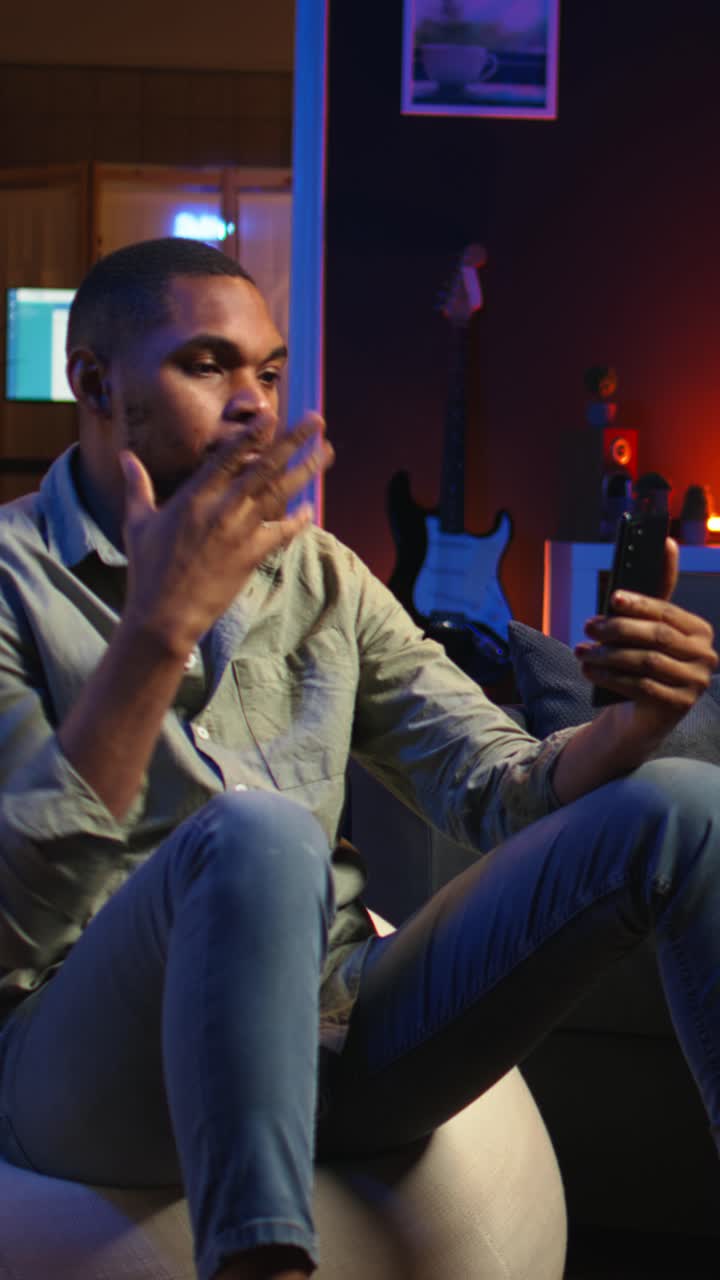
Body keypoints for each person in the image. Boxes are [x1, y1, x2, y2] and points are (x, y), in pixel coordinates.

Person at [0, 236, 718, 1280]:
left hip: (340, 1026)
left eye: (271, 371)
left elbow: (496, 791)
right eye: (206, 364)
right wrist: (155, 635)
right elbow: (12, 917)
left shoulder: (320, 573)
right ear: (95, 381)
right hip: (86, 1070)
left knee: (684, 803)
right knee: (254, 830)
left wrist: (637, 723)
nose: (255, 402)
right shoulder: (12, 581)